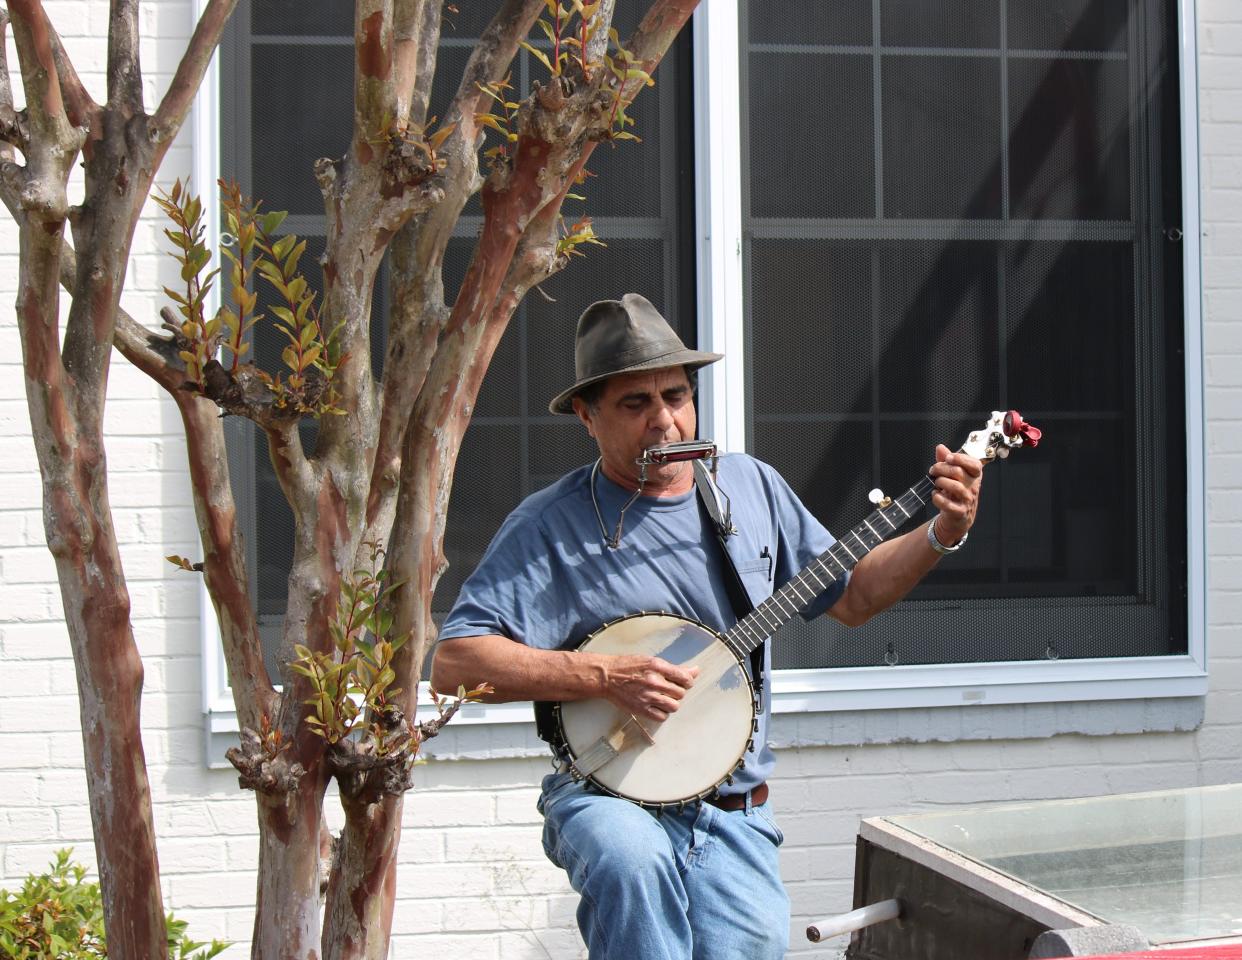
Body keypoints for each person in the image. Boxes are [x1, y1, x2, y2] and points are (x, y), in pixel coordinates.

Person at [431, 293, 983, 960]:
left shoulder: (750, 489)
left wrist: (941, 532)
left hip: (734, 812)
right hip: (609, 792)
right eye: (636, 405)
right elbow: (456, 662)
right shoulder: (550, 525)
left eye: (676, 395)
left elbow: (857, 595)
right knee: (630, 863)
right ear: (586, 414)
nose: (665, 421)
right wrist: (604, 674)